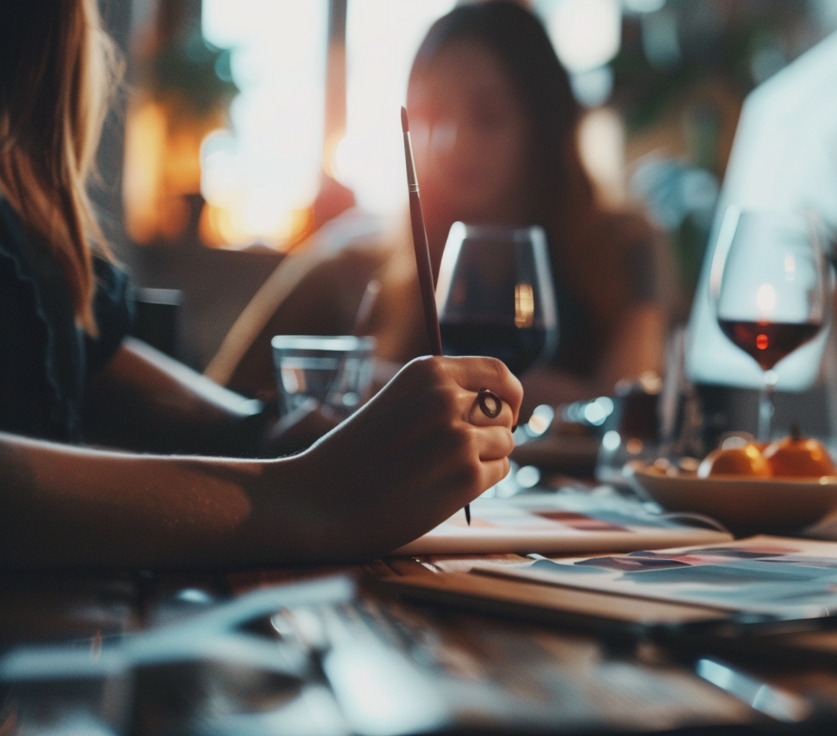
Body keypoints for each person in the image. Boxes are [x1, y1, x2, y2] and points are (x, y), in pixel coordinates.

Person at [0, 0, 521, 569]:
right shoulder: (348, 260)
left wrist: (265, 432)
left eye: (488, 116)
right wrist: (300, 496)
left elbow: (85, 350)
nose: (452, 142)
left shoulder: (27, 197)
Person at [361, 1, 669, 409]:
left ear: (543, 123)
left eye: (487, 116)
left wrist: (425, 390)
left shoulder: (623, 244)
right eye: (430, 115)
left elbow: (625, 405)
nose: (451, 143)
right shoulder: (381, 261)